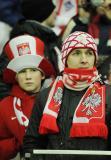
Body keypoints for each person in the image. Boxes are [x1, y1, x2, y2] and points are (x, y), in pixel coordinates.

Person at [23, 31, 111, 160]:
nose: (84, 60)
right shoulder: (45, 96)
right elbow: (32, 143)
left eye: (89, 53)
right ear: (65, 58)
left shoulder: (108, 94)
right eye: (76, 53)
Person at [0, 34, 55, 160]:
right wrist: (17, 144)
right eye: (23, 72)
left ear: (42, 75)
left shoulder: (57, 99)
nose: (28, 76)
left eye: (33, 70)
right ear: (16, 77)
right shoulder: (5, 106)